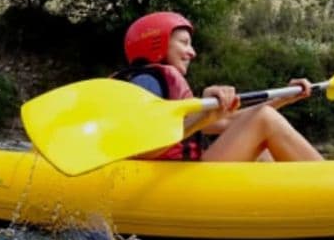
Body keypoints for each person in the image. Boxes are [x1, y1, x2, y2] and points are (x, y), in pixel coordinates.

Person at [116, 12, 323, 162]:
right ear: (157, 43)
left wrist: (284, 99)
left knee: (261, 140)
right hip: (174, 182)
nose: (192, 52)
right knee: (265, 120)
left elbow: (226, 122)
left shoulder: (157, 84)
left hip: (178, 175)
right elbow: (143, 144)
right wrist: (204, 113)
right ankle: (326, 185)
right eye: (184, 42)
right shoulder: (146, 82)